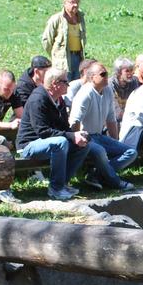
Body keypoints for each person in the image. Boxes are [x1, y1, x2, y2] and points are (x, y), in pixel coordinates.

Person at [16, 67, 91, 200]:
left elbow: (64, 127)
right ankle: (55, 189)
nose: (68, 84)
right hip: (29, 145)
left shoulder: (59, 100)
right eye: (65, 82)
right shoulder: (38, 99)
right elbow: (42, 131)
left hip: (49, 142)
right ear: (55, 84)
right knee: (60, 143)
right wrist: (70, 136)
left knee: (83, 144)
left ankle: (63, 184)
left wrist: (77, 135)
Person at [69, 61, 136, 192]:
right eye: (102, 74)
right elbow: (74, 121)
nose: (106, 77)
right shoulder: (85, 94)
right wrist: (78, 141)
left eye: (106, 74)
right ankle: (115, 182)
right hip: (86, 137)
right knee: (100, 151)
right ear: (92, 77)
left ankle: (96, 175)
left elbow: (111, 119)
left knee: (131, 152)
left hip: (99, 136)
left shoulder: (107, 91)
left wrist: (115, 141)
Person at [41, 0, 87, 77]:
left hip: (78, 57)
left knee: (77, 84)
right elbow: (46, 41)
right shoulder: (56, 19)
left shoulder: (81, 18)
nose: (76, 5)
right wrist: (56, 54)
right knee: (64, 85)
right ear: (65, 3)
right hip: (63, 60)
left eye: (77, 2)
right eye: (72, 2)